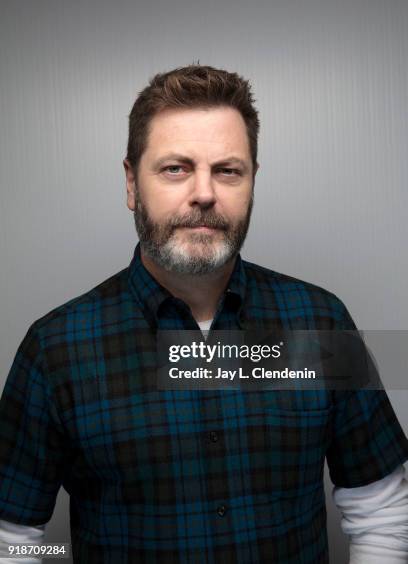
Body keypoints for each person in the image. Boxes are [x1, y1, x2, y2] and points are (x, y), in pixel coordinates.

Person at [0, 65, 407, 564]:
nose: (204, 193)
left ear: (252, 181)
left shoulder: (319, 322)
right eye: (176, 168)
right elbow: (13, 539)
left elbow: (382, 512)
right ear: (131, 183)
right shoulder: (55, 348)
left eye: (227, 170)